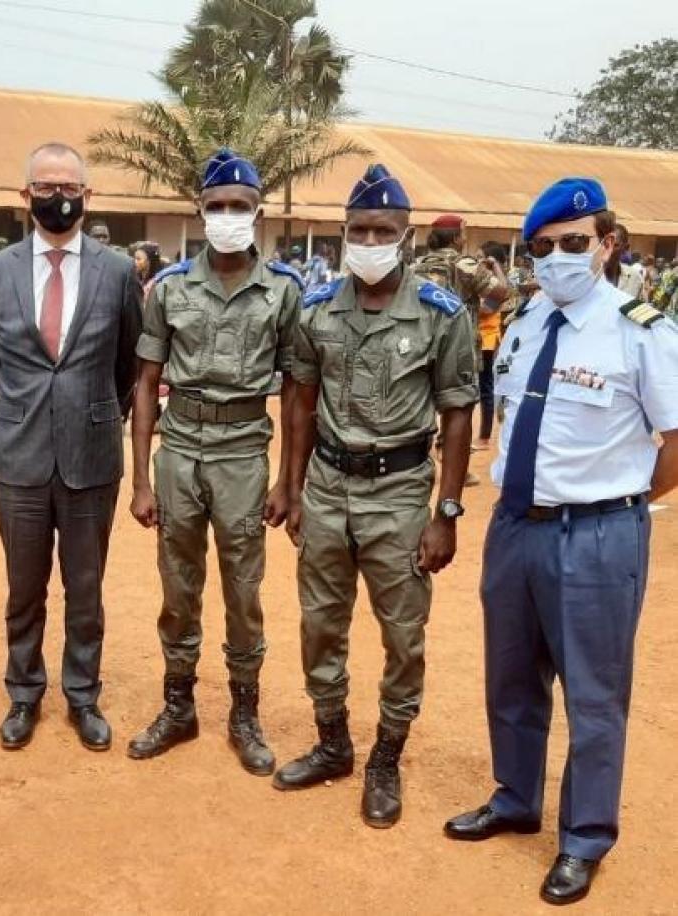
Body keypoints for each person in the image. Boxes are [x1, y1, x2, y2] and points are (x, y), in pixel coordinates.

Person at [444, 178, 678, 906]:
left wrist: (620, 499)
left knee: (594, 694)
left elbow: (674, 440)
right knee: (510, 682)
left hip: (596, 535)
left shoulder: (640, 328)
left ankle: (582, 837)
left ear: (606, 245)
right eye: (542, 247)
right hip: (514, 530)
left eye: (573, 244)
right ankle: (515, 797)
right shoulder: (522, 323)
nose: (556, 258)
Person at [274, 164, 477, 828]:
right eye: (357, 228)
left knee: (402, 634)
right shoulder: (314, 309)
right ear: (342, 232)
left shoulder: (440, 314)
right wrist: (292, 487)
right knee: (319, 625)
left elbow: (455, 414)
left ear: (406, 235)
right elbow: (299, 403)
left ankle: (385, 758)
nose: (368, 239)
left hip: (398, 492)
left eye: (381, 230)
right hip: (328, 488)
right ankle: (332, 742)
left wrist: (444, 513)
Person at [126, 149, 303, 776]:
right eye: (218, 205)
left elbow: (299, 389)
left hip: (243, 453)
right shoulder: (170, 287)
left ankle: (243, 712)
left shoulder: (283, 290)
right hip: (179, 449)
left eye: (240, 206)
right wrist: (142, 477)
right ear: (200, 211)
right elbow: (147, 383)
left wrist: (289, 480)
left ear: (257, 212)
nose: (228, 215)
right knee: (178, 585)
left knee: (243, 589)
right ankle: (178, 706)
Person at [0, 142, 142, 752]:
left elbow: (127, 362)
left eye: (69, 187)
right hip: (18, 457)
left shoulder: (118, 271)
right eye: (45, 188)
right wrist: (26, 411)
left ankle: (82, 695)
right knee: (25, 586)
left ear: (88, 196)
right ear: (26, 197)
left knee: (86, 586)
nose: (58, 197)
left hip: (92, 457)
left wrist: (92, 411)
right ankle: (23, 694)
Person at [413, 214, 507, 485]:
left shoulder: (417, 264)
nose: (465, 238)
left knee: (422, 404)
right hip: (459, 347)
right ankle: (457, 472)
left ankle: (420, 466)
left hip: (420, 344)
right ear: (455, 237)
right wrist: (495, 266)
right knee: (458, 410)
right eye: (463, 233)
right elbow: (500, 293)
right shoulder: (464, 264)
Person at [474, 242, 508, 449]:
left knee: (485, 388)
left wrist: (466, 304)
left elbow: (486, 310)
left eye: (481, 258)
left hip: (486, 340)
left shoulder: (494, 284)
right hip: (476, 338)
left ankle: (485, 437)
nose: (477, 261)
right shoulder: (480, 282)